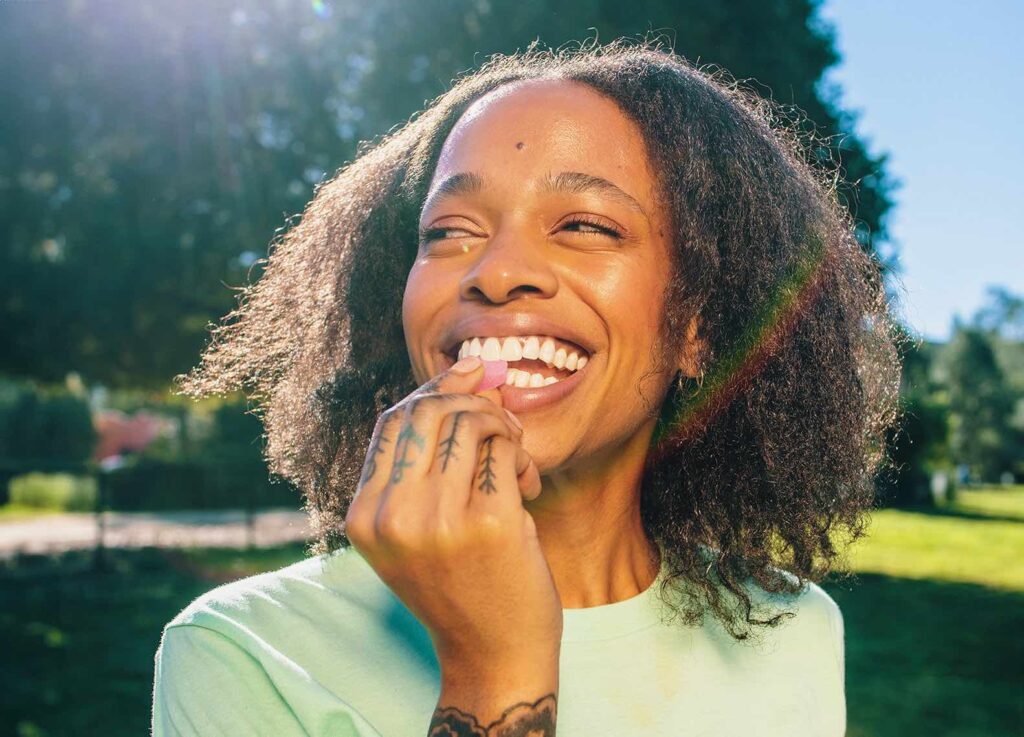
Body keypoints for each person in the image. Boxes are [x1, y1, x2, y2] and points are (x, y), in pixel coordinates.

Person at [153, 37, 902, 736]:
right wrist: (494, 670)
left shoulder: (799, 629)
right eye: (448, 231)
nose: (497, 271)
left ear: (699, 327)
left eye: (584, 225)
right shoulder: (242, 653)